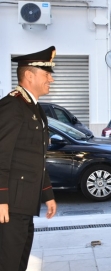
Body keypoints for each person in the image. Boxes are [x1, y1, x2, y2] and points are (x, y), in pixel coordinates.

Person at [0, 46, 57, 270]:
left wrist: (48, 195)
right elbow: (1, 156)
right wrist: (1, 200)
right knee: (9, 263)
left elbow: (36, 158)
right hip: (11, 205)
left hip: (24, 204)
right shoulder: (12, 107)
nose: (51, 79)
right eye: (46, 74)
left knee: (19, 261)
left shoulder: (34, 108)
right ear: (29, 75)